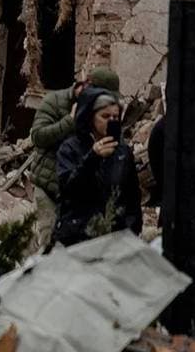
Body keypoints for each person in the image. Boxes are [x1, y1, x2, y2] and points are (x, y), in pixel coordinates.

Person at [29, 66, 119, 248]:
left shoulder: (102, 114)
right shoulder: (55, 101)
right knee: (50, 243)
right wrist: (69, 122)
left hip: (79, 192)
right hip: (49, 188)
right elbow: (38, 137)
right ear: (87, 87)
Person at [52, 86, 143, 245]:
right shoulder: (70, 148)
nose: (111, 121)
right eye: (105, 116)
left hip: (115, 239)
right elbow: (68, 190)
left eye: (115, 117)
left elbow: (132, 198)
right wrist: (93, 158)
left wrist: (131, 231)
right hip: (79, 237)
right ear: (90, 117)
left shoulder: (122, 152)